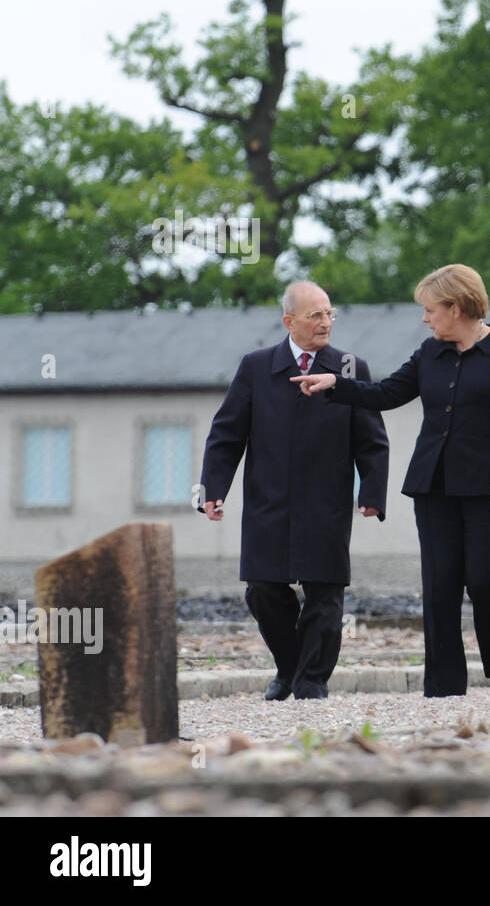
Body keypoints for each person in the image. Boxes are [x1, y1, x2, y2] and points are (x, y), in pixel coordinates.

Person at [292, 265, 490, 697]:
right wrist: (338, 383)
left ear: (457, 307)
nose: (425, 318)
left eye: (430, 309)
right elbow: (386, 393)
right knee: (440, 585)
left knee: (485, 580)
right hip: (434, 486)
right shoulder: (429, 352)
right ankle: (443, 686)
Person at [198, 281, 389, 701]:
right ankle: (289, 668)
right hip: (269, 502)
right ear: (289, 321)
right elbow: (227, 434)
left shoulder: (351, 367)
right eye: (315, 315)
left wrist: (372, 490)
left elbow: (371, 438)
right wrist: (213, 488)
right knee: (263, 589)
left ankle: (311, 680)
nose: (326, 322)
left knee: (325, 591)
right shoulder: (256, 366)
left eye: (329, 314)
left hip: (327, 502)